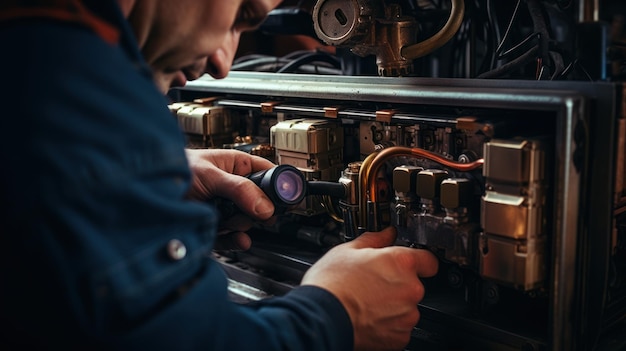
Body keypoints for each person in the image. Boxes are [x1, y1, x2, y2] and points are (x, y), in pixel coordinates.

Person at [0, 0, 439, 350]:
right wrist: (336, 316)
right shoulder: (77, 84)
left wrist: (144, 185)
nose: (223, 61)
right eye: (241, 16)